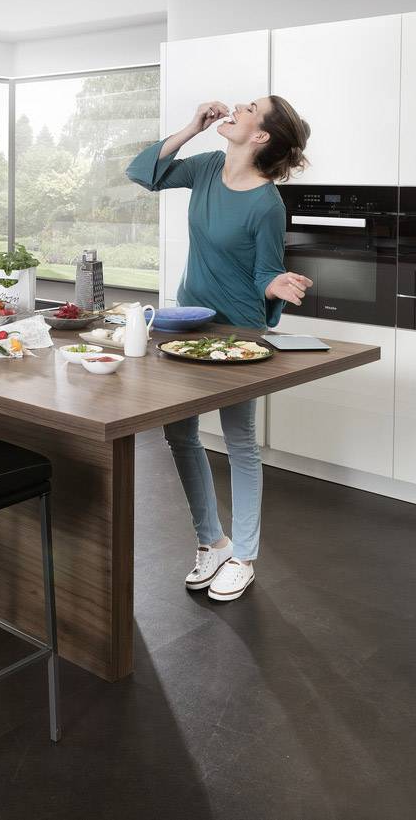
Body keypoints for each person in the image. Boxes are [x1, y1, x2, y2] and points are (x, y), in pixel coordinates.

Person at [126, 96, 312, 602]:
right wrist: (191, 126)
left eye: (249, 108)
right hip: (188, 323)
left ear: (261, 136)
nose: (235, 107)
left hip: (239, 331)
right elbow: (144, 173)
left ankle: (244, 556)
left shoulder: (266, 203)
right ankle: (212, 542)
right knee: (180, 434)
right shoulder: (207, 167)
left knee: (239, 441)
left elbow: (264, 272)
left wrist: (274, 286)